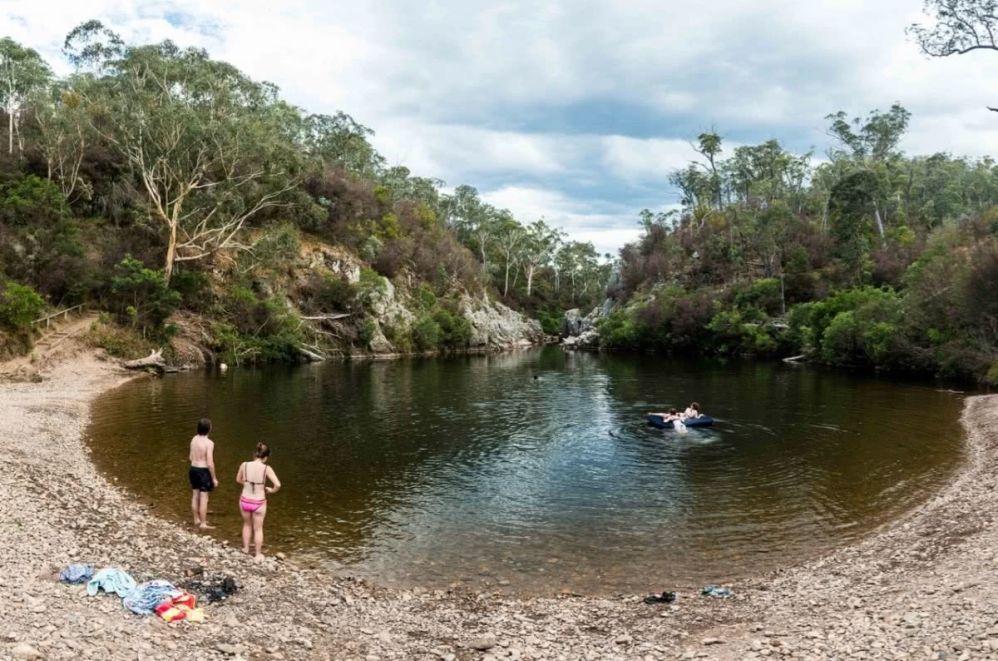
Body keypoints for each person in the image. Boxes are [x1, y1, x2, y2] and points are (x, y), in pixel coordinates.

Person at [236, 442, 281, 560]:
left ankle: (245, 548)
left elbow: (238, 479)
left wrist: (246, 483)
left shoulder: (244, 465)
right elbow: (278, 485)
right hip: (258, 502)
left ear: (254, 454)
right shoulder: (267, 468)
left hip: (244, 500)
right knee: (258, 528)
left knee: (246, 524)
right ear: (265, 457)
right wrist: (271, 490)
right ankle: (258, 553)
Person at [189, 418, 219, 530]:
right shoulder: (209, 443)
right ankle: (203, 523)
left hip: (193, 469)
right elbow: (210, 463)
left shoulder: (193, 439)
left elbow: (190, 457)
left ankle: (196, 519)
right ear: (209, 429)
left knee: (195, 494)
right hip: (203, 471)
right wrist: (214, 478)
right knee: (204, 497)